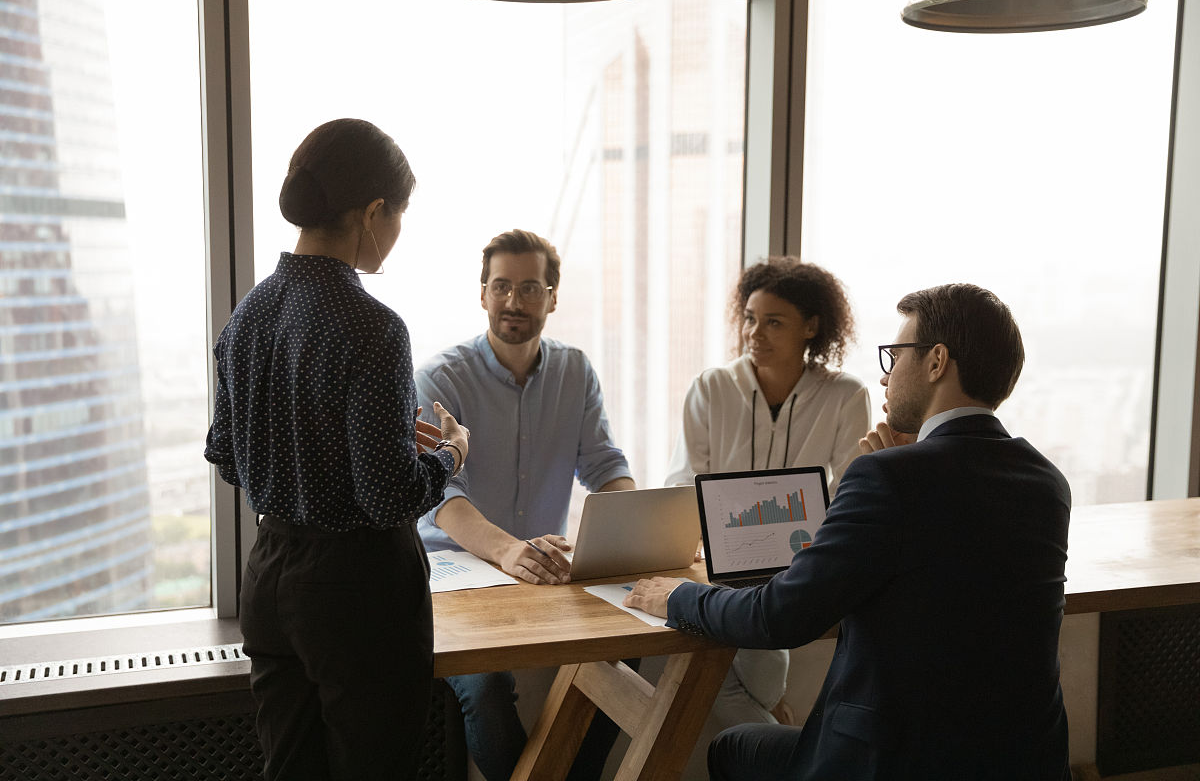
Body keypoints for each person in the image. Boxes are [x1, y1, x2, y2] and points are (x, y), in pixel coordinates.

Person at [626, 283, 1072, 781]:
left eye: (895, 355)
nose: (885, 377)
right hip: (1022, 760)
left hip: (894, 762)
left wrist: (676, 598)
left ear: (936, 362)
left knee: (735, 747)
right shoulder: (1047, 482)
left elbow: (779, 617)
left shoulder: (887, 478)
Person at [204, 118, 470, 781]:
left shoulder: (249, 314)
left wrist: (343, 449)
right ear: (374, 211)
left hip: (270, 575)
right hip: (360, 593)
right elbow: (388, 498)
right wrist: (450, 455)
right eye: (400, 214)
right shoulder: (373, 326)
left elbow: (228, 455)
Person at [415, 229, 635, 781]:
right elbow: (439, 497)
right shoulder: (439, 378)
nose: (514, 301)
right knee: (487, 685)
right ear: (482, 293)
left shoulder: (575, 370)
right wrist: (508, 552)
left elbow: (605, 466)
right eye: (502, 286)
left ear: (553, 296)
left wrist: (635, 527)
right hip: (454, 572)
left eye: (530, 288)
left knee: (627, 651)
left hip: (542, 571)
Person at [664, 257, 871, 732]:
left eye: (774, 322)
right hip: (719, 562)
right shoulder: (712, 387)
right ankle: (776, 736)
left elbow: (850, 494)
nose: (755, 333)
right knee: (727, 664)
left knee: (749, 648)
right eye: (751, 319)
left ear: (811, 326)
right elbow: (683, 482)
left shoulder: (845, 396)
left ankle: (768, 739)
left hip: (802, 561)